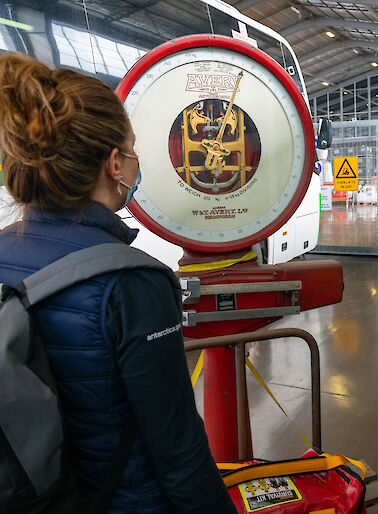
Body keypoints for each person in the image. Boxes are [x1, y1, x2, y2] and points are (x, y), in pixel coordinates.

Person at [0, 53, 236, 513]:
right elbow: (179, 452)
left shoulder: (3, 251)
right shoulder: (131, 283)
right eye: (132, 147)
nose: (135, 159)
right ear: (114, 164)